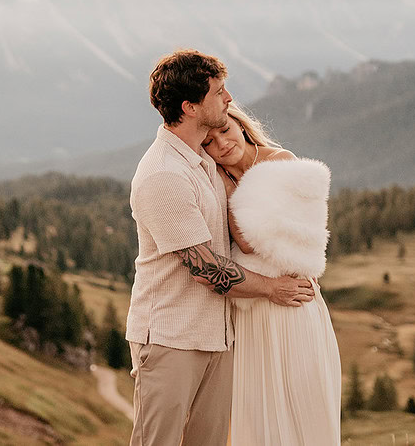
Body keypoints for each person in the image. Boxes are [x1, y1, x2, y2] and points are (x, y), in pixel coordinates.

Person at [125, 49, 315, 446]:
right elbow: (205, 268)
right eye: (219, 92)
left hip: (217, 335)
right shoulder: (164, 174)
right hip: (171, 338)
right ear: (190, 107)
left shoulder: (203, 159)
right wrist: (271, 288)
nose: (228, 99)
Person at [201, 102, 342, 445]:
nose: (222, 144)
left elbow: (249, 242)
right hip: (253, 307)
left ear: (241, 125)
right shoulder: (219, 177)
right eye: (209, 142)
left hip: (291, 302)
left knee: (302, 400)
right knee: (257, 406)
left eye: (225, 130)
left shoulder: (281, 162)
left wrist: (228, 184)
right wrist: (224, 179)